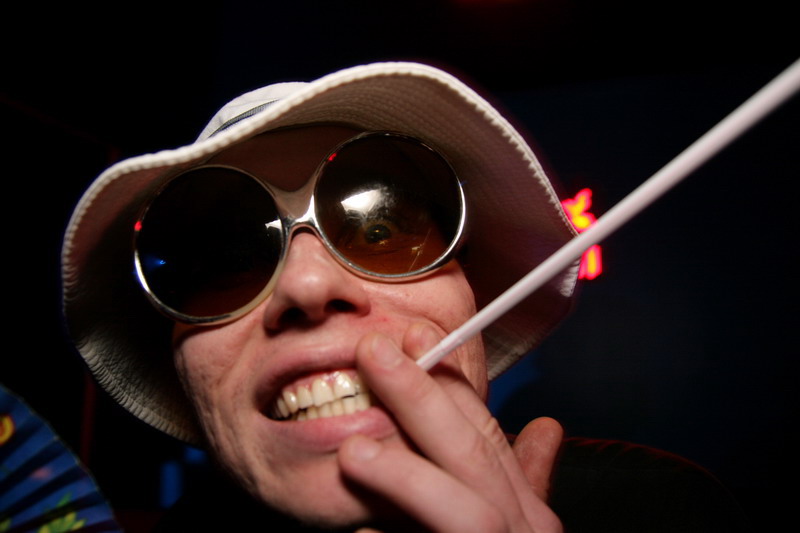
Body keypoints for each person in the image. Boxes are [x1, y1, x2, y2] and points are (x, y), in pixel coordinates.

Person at [62, 62, 746, 532]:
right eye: (227, 261)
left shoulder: (659, 514)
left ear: (471, 296)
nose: (307, 285)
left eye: (380, 230)